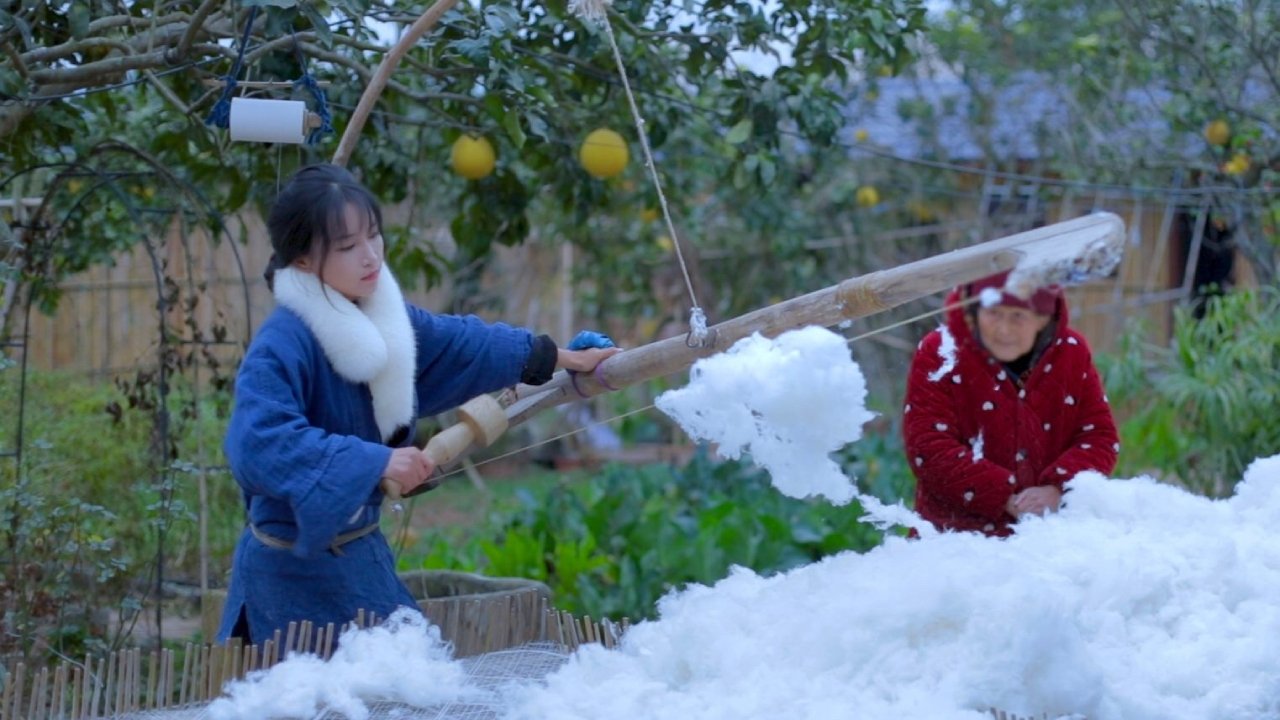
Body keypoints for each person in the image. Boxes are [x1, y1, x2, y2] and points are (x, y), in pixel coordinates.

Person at [216, 163, 619, 645]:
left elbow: (460, 344)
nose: (371, 256)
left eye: (373, 235)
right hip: (287, 582)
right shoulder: (280, 344)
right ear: (302, 262)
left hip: (360, 560)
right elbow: (260, 444)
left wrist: (560, 357)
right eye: (347, 246)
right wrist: (378, 461)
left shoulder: (382, 318)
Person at [902, 269, 1118, 537]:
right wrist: (1003, 496)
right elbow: (928, 445)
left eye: (1018, 316)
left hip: (1055, 535)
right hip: (951, 537)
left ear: (1042, 318)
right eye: (993, 313)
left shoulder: (1071, 352)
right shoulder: (941, 351)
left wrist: (1059, 489)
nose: (1004, 329)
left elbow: (1099, 436)